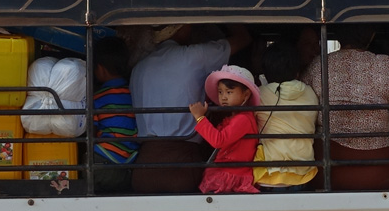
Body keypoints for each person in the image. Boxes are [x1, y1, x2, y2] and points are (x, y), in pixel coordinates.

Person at [129, 23, 251, 194]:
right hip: (181, 167)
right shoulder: (194, 56)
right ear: (182, 27)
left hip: (143, 168)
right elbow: (243, 39)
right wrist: (223, 14)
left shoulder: (138, 68)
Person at [302, 24, 389, 191]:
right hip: (379, 173)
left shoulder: (318, 65)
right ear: (371, 36)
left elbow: (304, 112)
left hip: (326, 172)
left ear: (338, 35)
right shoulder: (387, 64)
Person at [253, 39, 318, 192]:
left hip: (269, 175)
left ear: (266, 72)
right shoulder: (310, 93)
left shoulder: (260, 94)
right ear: (297, 71)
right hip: (303, 173)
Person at [190, 65, 260, 195]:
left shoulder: (243, 119)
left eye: (229, 92)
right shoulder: (237, 117)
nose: (223, 97)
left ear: (246, 94)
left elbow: (218, 141)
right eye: (220, 92)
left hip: (230, 176)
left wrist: (200, 118)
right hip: (227, 173)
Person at [89, 37, 138, 194]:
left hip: (103, 162)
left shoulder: (97, 97)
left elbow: (92, 131)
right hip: (131, 164)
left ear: (100, 69)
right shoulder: (134, 93)